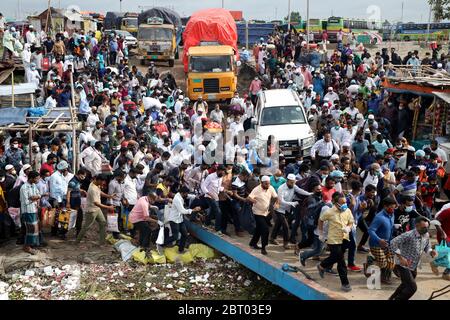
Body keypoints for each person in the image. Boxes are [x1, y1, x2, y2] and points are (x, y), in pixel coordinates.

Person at [389, 216, 437, 300]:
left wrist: (430, 251)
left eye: (427, 227)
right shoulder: (409, 235)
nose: (426, 229)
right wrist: (400, 257)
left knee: (405, 285)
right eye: (424, 227)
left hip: (414, 265)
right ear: (417, 226)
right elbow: (393, 243)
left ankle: (392, 298)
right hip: (403, 265)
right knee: (412, 288)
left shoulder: (426, 235)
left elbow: (427, 246)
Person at [317, 192, 354, 292]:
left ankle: (322, 265)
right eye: (342, 203)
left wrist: (348, 228)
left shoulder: (348, 211)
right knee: (341, 261)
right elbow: (320, 220)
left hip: (345, 238)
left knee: (336, 257)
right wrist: (320, 233)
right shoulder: (329, 212)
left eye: (345, 202)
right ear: (335, 202)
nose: (344, 205)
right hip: (333, 239)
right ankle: (345, 283)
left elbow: (351, 222)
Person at [76, 174, 116, 245]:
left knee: (103, 223)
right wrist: (108, 207)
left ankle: (102, 242)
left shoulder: (95, 183)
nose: (103, 183)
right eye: (102, 181)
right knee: (86, 227)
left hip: (97, 209)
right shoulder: (92, 189)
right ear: (99, 180)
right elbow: (96, 203)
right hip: (91, 211)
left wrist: (109, 196)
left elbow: (100, 192)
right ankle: (77, 241)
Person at [366, 197, 397, 284]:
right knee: (383, 263)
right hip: (376, 244)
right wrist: (379, 240)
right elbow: (370, 230)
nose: (393, 209)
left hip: (388, 243)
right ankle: (371, 260)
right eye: (391, 207)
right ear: (385, 206)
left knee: (391, 263)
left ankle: (384, 277)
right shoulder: (379, 217)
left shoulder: (392, 214)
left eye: (394, 207)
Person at [247, 176, 279, 255]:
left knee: (258, 229)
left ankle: (252, 243)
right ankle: (263, 248)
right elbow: (249, 197)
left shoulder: (270, 188)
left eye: (268, 184)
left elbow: (276, 197)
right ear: (261, 183)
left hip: (266, 212)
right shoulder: (256, 189)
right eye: (266, 184)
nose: (267, 185)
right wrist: (252, 200)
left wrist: (277, 203)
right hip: (257, 213)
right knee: (265, 229)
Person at [165, 186, 202, 253]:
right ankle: (161, 244)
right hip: (174, 220)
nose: (187, 195)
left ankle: (181, 250)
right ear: (182, 193)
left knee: (185, 234)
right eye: (186, 194)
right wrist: (193, 210)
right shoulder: (177, 199)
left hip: (180, 219)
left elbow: (188, 196)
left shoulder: (181, 195)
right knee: (175, 237)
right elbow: (183, 211)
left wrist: (195, 196)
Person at [19, 171, 42, 254]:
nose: (38, 180)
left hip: (34, 209)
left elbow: (38, 195)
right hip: (28, 211)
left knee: (36, 228)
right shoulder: (24, 187)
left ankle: (33, 244)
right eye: (37, 178)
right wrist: (35, 197)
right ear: (31, 178)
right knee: (31, 229)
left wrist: (34, 198)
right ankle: (27, 247)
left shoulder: (33, 185)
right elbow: (26, 201)